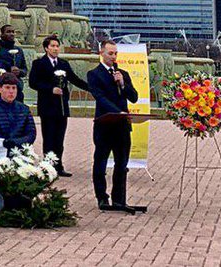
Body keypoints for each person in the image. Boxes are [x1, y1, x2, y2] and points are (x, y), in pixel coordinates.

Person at [87, 40, 141, 213]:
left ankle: (119, 199)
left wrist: (123, 84)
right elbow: (100, 97)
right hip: (105, 124)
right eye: (110, 53)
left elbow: (134, 97)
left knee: (122, 163)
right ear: (101, 53)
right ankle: (102, 197)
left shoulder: (122, 74)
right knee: (100, 162)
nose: (113, 56)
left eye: (115, 53)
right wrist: (118, 112)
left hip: (122, 127)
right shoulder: (94, 74)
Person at [28, 34, 88, 177]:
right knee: (48, 137)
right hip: (47, 106)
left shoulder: (63, 64)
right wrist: (50, 89)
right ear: (46, 48)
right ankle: (48, 166)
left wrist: (92, 88)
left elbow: (74, 79)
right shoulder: (39, 64)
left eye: (57, 46)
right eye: (52, 46)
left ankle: (59, 165)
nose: (55, 49)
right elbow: (33, 83)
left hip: (61, 107)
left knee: (59, 138)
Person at [0, 73, 36, 149]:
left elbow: (31, 135)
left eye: (14, 88)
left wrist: (14, 143)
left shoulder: (24, 108)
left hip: (21, 151)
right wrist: (7, 143)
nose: (11, 91)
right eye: (7, 87)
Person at [0, 25, 28, 101]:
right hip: (3, 87)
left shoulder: (19, 50)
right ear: (2, 35)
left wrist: (19, 71)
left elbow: (25, 70)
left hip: (17, 87)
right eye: (8, 32)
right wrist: (8, 69)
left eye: (13, 32)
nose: (11, 34)